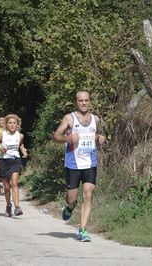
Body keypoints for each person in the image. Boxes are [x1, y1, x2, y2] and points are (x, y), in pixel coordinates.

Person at [53, 90, 106, 242]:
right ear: (76, 102)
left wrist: (99, 139)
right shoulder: (69, 118)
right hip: (73, 163)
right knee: (72, 198)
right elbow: (56, 136)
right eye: (81, 100)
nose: (84, 103)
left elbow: (95, 136)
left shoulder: (96, 119)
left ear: (90, 101)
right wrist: (68, 138)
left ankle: (82, 230)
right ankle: (69, 208)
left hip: (90, 162)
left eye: (86, 100)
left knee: (88, 193)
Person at [0, 114, 28, 217]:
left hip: (15, 160)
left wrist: (23, 151)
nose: (12, 125)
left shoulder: (20, 135)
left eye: (14, 123)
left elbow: (21, 144)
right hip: (3, 161)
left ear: (17, 125)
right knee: (7, 187)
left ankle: (17, 208)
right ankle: (8, 205)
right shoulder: (2, 135)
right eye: (10, 123)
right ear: (6, 124)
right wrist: (0, 149)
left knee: (14, 183)